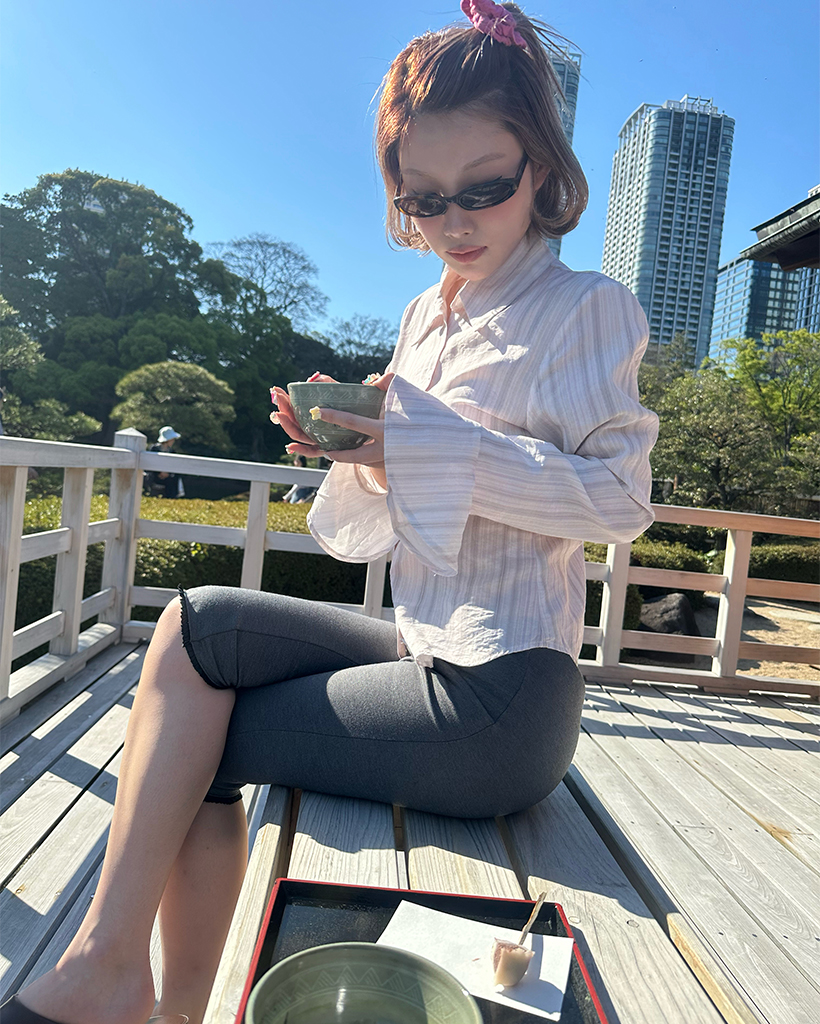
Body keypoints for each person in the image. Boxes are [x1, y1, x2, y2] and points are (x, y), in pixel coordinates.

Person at [3, 4, 658, 1023]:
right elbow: (374, 527)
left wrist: (426, 442)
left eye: (484, 187)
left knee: (205, 740)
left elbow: (618, 499)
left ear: (541, 166)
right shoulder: (425, 314)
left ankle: (129, 987)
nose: (454, 222)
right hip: (421, 643)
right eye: (423, 199)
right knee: (196, 624)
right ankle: (119, 970)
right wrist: (363, 451)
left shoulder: (587, 307)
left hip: (506, 693)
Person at [145, 426, 184, 499]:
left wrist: (167, 473)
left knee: (174, 478)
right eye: (172, 439)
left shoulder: (172, 452)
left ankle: (173, 497)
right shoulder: (154, 449)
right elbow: (150, 463)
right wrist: (159, 472)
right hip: (154, 475)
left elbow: (173, 466)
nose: (173, 441)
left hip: (167, 477)